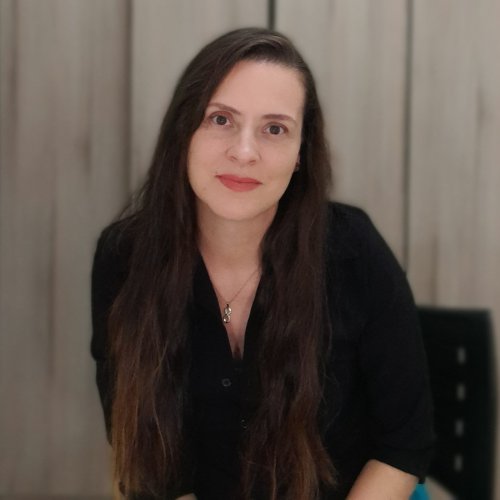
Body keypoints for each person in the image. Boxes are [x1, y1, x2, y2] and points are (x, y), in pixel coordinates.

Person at [91, 28, 434, 500]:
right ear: (183, 132)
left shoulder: (354, 252)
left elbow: (403, 445)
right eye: (220, 119)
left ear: (299, 154)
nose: (244, 151)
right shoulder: (124, 259)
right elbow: (144, 457)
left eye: (275, 129)